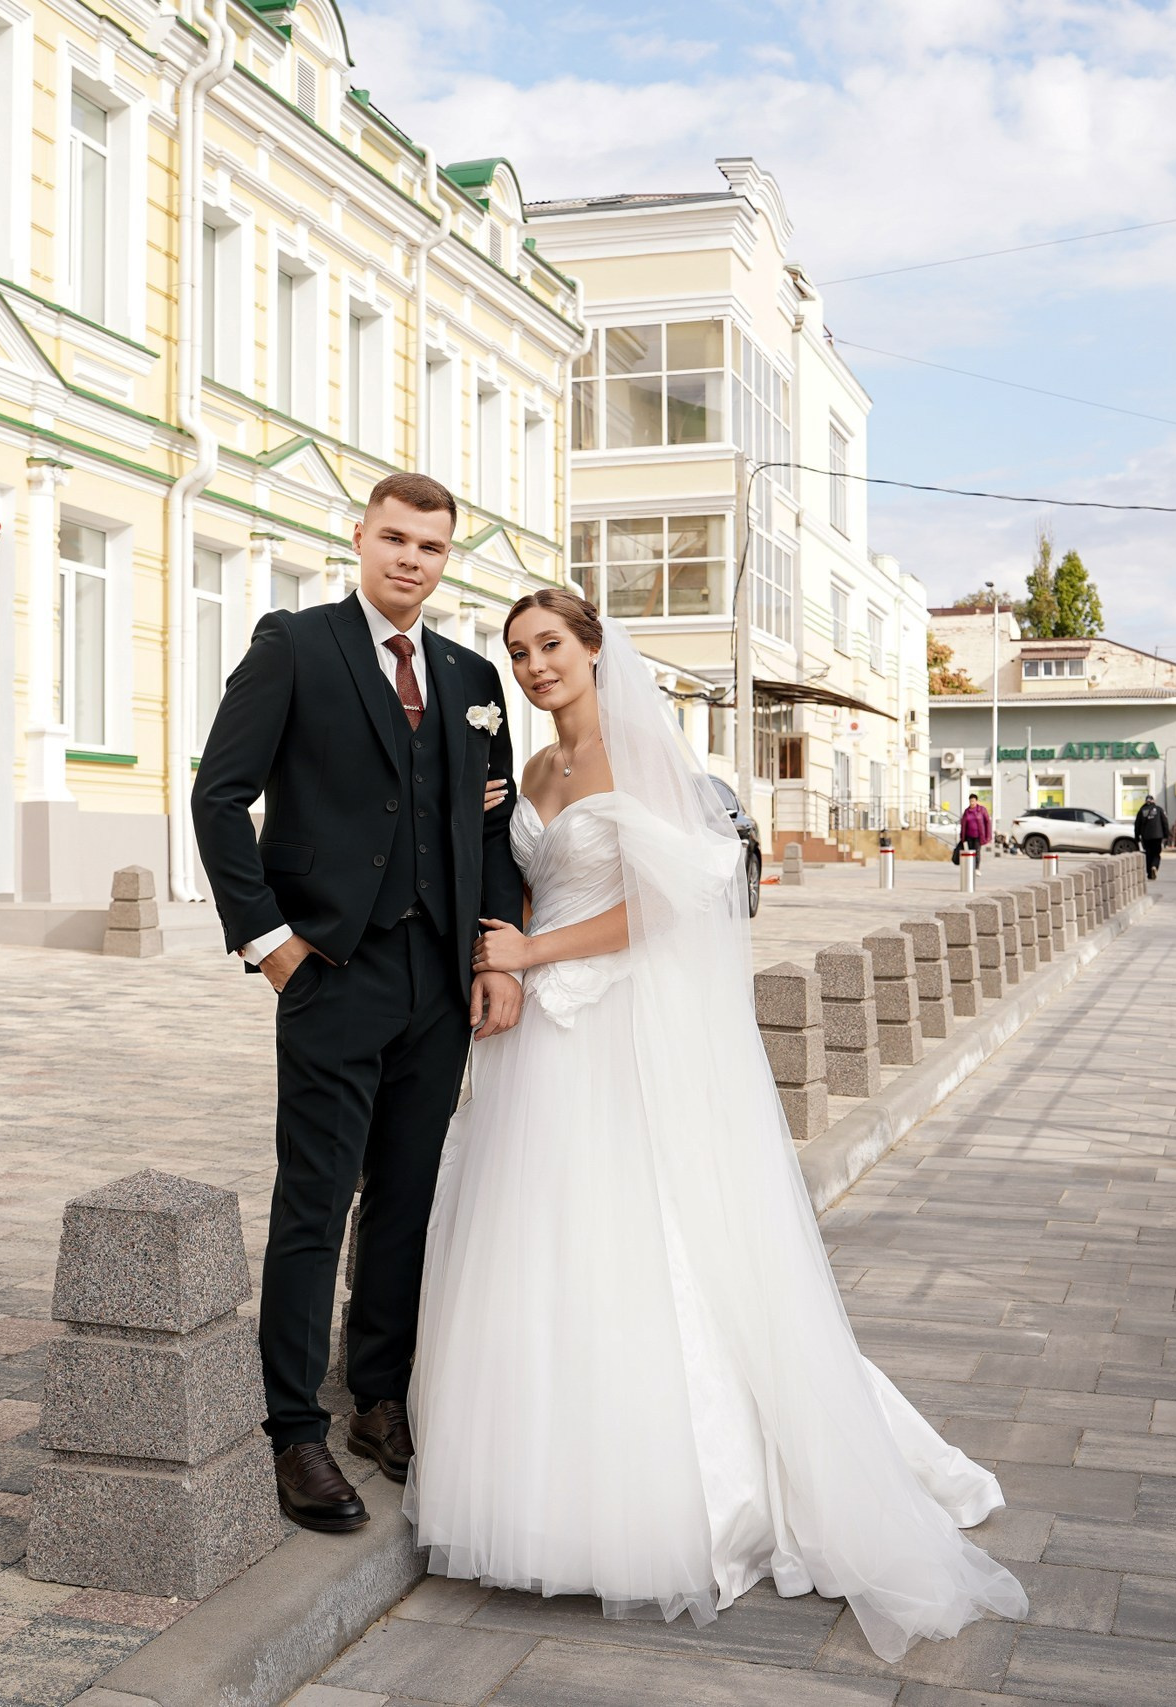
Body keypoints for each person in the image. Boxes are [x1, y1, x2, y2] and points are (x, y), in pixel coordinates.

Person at [408, 590, 1028, 1661]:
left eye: (550, 645)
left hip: (609, 1021)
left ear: (595, 647)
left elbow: (674, 906)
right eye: (517, 653)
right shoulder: (538, 769)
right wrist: (499, 939)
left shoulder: (643, 756)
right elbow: (525, 871)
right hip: (536, 1042)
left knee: (638, 1234)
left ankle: (669, 1499)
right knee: (540, 1239)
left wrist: (530, 956)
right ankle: (540, 1481)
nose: (533, 665)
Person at [191, 472, 529, 1534]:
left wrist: (491, 957)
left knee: (406, 1197)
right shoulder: (296, 644)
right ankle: (293, 1428)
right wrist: (271, 943)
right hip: (333, 970)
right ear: (360, 538)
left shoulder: (474, 675)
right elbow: (219, 795)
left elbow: (489, 823)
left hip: (440, 979)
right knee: (316, 1199)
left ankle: (377, 1396)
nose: (411, 560)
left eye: (431, 547)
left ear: (445, 559)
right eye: (395, 539)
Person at [1134, 795, 1169, 879]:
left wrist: (1137, 837)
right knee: (1156, 854)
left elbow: (1137, 825)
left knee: (1148, 854)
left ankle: (1149, 873)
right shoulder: (1159, 809)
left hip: (1146, 836)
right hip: (1157, 836)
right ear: (1153, 801)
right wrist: (1166, 835)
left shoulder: (1141, 811)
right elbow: (1165, 822)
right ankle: (1154, 866)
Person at [955, 793, 991, 867]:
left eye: (973, 801)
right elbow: (963, 824)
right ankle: (970, 867)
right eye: (970, 801)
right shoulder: (967, 811)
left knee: (977, 852)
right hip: (968, 836)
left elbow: (987, 822)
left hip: (978, 835)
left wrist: (988, 836)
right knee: (969, 852)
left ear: (976, 801)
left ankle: (977, 867)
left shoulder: (982, 810)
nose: (972, 803)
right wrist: (962, 836)